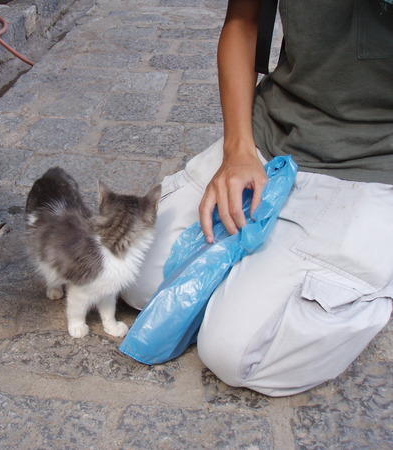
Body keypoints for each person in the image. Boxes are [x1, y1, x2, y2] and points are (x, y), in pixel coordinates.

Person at [121, 0, 393, 396]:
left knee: (239, 356)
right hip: (271, 135)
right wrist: (237, 151)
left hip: (371, 165)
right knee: (136, 281)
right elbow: (243, 22)